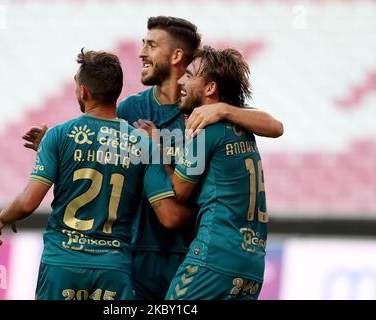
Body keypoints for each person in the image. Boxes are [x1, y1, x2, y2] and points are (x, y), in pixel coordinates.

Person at [22, 16, 283, 300]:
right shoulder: (132, 109)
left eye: (151, 45)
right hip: (137, 253)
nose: (141, 52)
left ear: (176, 56)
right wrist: (53, 148)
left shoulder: (206, 115)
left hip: (190, 252)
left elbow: (275, 126)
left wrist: (222, 110)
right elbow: (96, 154)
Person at [0, 49, 193, 300]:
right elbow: (167, 214)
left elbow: (28, 202)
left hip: (62, 263)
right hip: (113, 268)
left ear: (83, 92)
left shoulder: (58, 135)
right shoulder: (144, 145)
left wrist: (4, 216)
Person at [163, 46, 268, 299]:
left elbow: (179, 192)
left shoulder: (204, 131)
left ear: (210, 88)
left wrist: (155, 155)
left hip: (213, 256)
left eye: (189, 75)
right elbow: (276, 126)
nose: (180, 81)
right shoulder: (243, 123)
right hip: (252, 263)